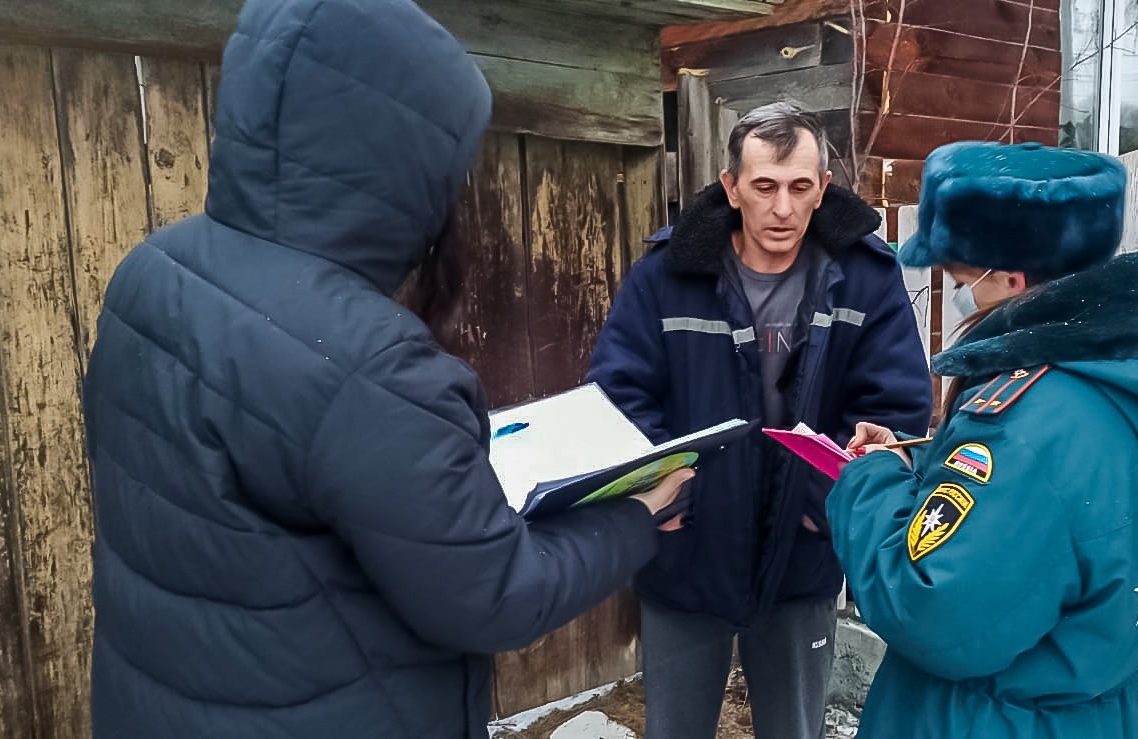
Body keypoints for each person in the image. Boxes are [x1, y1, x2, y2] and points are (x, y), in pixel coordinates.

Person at [80, 0, 691, 736]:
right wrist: (640, 516)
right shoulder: (366, 364)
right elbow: (494, 593)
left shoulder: (150, 273)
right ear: (399, 160)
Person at [829, 141, 1138, 738]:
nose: (956, 296)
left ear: (1011, 279)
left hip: (988, 719)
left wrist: (867, 482)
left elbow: (934, 608)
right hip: (1096, 710)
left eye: (961, 279)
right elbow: (1056, 531)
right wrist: (919, 460)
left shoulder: (1024, 427)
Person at [586, 103, 933, 738]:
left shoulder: (866, 279)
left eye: (801, 188)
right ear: (732, 186)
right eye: (764, 187)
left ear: (824, 188)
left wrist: (834, 497)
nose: (782, 208)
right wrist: (665, 491)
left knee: (794, 729)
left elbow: (895, 406)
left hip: (804, 548)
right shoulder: (666, 278)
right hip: (687, 549)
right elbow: (618, 396)